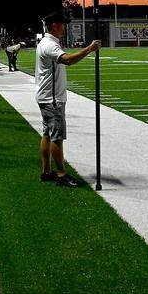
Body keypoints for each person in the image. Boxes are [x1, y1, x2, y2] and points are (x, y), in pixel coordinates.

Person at [35, 11, 101, 187]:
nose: (65, 27)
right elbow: (68, 61)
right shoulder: (49, 44)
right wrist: (89, 49)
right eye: (63, 24)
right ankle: (61, 174)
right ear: (55, 25)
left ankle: (46, 171)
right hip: (52, 98)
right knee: (56, 136)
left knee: (48, 134)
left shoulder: (46, 42)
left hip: (46, 96)